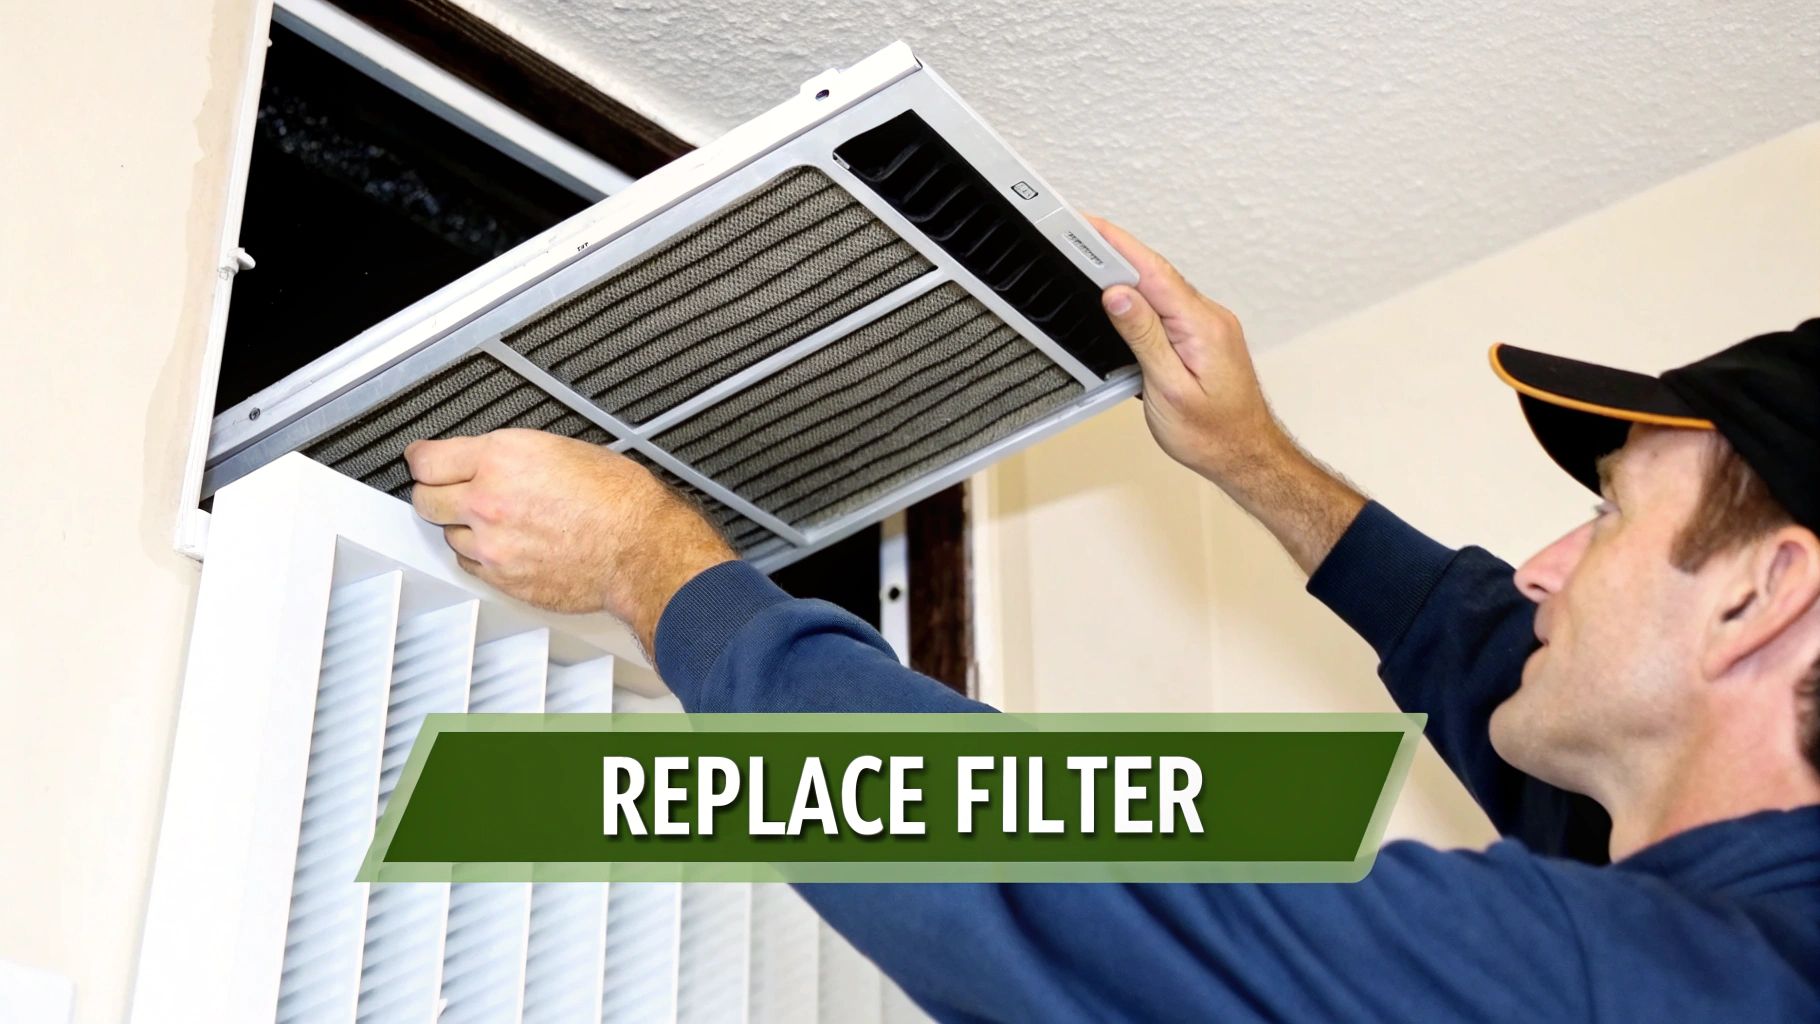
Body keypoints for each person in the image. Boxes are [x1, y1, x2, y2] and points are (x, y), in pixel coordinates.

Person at [401, 220, 1820, 1021]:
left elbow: (1004, 855)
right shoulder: (1725, 924)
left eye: (1617, 514)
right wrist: (1256, 463)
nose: (1543, 564)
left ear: (1765, 595)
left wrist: (651, 562)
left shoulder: (1658, 987)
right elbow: (1494, 666)